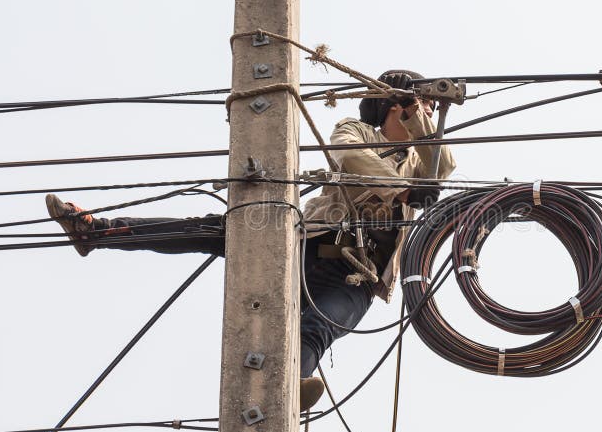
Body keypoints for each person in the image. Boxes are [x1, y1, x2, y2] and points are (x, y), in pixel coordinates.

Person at [45, 70, 456, 411]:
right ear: (393, 106)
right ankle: (97, 231)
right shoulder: (357, 131)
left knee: (319, 328)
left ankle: (292, 388)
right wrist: (402, 188)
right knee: (211, 229)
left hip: (359, 277)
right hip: (311, 243)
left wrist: (419, 123)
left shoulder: (420, 161)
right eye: (423, 106)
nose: (429, 113)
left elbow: (445, 166)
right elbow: (347, 155)